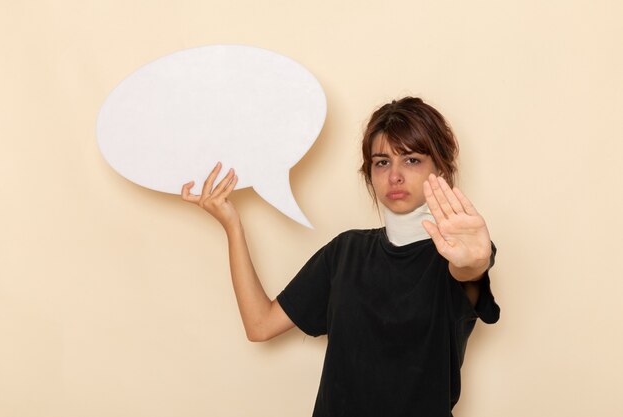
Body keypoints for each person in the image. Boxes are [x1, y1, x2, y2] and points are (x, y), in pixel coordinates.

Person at [181, 97, 500, 417]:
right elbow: (260, 324)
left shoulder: (457, 254)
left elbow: (468, 273)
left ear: (441, 168)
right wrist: (232, 225)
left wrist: (475, 263)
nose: (395, 176)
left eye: (412, 160)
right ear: (369, 172)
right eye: (382, 162)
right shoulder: (345, 252)